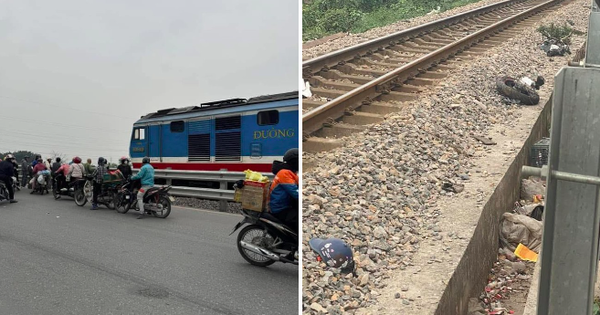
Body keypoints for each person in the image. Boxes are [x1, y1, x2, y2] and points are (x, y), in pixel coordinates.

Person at [268, 148, 299, 232]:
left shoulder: (292, 173)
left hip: (285, 205)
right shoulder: (285, 173)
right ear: (294, 162)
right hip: (280, 208)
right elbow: (296, 193)